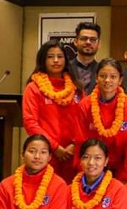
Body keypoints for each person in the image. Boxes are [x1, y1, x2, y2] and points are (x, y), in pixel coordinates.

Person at [22, 40, 84, 182]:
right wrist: (55, 147)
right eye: (50, 57)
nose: (56, 61)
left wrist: (74, 145)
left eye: (60, 56)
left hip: (73, 153)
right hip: (45, 154)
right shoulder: (34, 88)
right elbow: (30, 123)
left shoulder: (76, 87)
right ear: (43, 60)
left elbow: (84, 119)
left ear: (66, 60)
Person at [77, 58, 127, 181]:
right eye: (103, 76)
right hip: (92, 167)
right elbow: (80, 141)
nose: (107, 80)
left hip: (122, 169)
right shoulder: (85, 105)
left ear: (120, 80)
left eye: (113, 77)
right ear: (96, 78)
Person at [68, 21, 101, 95]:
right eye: (84, 38)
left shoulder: (102, 70)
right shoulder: (65, 68)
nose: (88, 42)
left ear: (98, 44)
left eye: (93, 39)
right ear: (76, 42)